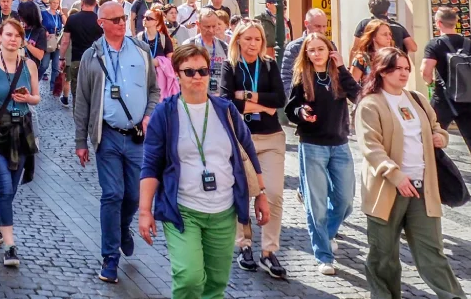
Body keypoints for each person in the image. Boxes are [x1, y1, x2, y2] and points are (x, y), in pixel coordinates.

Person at [138, 43, 269, 299]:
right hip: (183, 211)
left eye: (203, 70)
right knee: (188, 278)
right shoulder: (165, 113)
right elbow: (151, 164)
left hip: (224, 211)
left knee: (216, 284)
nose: (197, 77)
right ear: (177, 73)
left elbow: (248, 153)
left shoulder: (225, 110)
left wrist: (261, 194)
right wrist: (144, 211)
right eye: (189, 72)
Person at [357, 47, 464, 299]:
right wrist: (395, 175)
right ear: (382, 71)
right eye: (397, 68)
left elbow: (436, 128)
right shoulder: (371, 104)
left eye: (407, 68)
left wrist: (441, 137)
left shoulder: (416, 99)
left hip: (423, 187)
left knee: (432, 252)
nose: (404, 73)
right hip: (387, 190)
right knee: (383, 256)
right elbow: (371, 148)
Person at [73, 1, 161, 283]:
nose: (121, 23)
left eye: (123, 18)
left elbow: (154, 90)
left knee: (134, 196)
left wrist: (148, 116)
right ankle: (110, 256)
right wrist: (81, 141)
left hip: (136, 136)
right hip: (107, 134)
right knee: (112, 194)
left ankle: (123, 228)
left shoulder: (142, 50)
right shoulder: (92, 56)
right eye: (114, 20)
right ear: (101, 23)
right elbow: (82, 100)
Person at [284, 34, 359, 276]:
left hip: (339, 143)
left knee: (345, 199)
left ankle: (326, 233)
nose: (316, 53)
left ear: (330, 51)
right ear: (306, 54)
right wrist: (301, 112)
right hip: (312, 144)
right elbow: (290, 109)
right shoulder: (302, 76)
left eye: (321, 49)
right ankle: (324, 255)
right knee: (316, 204)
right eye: (312, 50)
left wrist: (342, 67)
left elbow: (358, 96)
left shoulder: (338, 75)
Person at [219, 19, 288, 279]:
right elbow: (227, 102)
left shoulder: (269, 66)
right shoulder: (230, 66)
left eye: (257, 39)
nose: (252, 44)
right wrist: (263, 104)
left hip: (271, 138)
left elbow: (279, 100)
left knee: (273, 194)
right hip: (241, 139)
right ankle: (244, 245)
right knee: (242, 193)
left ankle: (269, 251)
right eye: (247, 39)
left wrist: (247, 96)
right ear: (238, 40)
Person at [0, 19, 41, 268]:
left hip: (22, 130)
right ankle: (10, 245)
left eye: (17, 36)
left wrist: (27, 97)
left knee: (12, 189)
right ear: (0, 37)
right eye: (9, 35)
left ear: (22, 40)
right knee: (4, 186)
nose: (13, 39)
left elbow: (36, 98)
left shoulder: (30, 66)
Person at [421, 7, 471, 205]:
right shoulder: (470, 44)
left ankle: (429, 178)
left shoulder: (434, 44)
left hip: (443, 101)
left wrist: (430, 83)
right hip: (469, 101)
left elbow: (425, 70)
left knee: (430, 138)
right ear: (456, 22)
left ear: (438, 24)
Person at [60, 0, 104, 106]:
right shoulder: (100, 20)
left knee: (77, 94)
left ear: (82, 2)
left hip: (77, 60)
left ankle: (79, 120)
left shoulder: (72, 19)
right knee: (94, 92)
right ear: (95, 3)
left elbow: (65, 41)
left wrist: (61, 58)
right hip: (95, 60)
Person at [280, 9, 330, 99]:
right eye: (318, 26)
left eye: (324, 26)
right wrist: (296, 103)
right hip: (304, 103)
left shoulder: (330, 46)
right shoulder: (294, 48)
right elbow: (286, 79)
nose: (322, 30)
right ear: (306, 24)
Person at [184, 9, 229, 93]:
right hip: (195, 96)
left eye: (214, 26)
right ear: (198, 24)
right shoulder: (189, 45)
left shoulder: (225, 47)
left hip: (219, 98)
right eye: (207, 27)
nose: (211, 30)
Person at [138, 7, 178, 99]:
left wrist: (159, 61)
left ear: (156, 22)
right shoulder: (139, 38)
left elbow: (171, 61)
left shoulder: (164, 39)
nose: (145, 20)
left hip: (160, 81)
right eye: (144, 17)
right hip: (143, 78)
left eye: (148, 18)